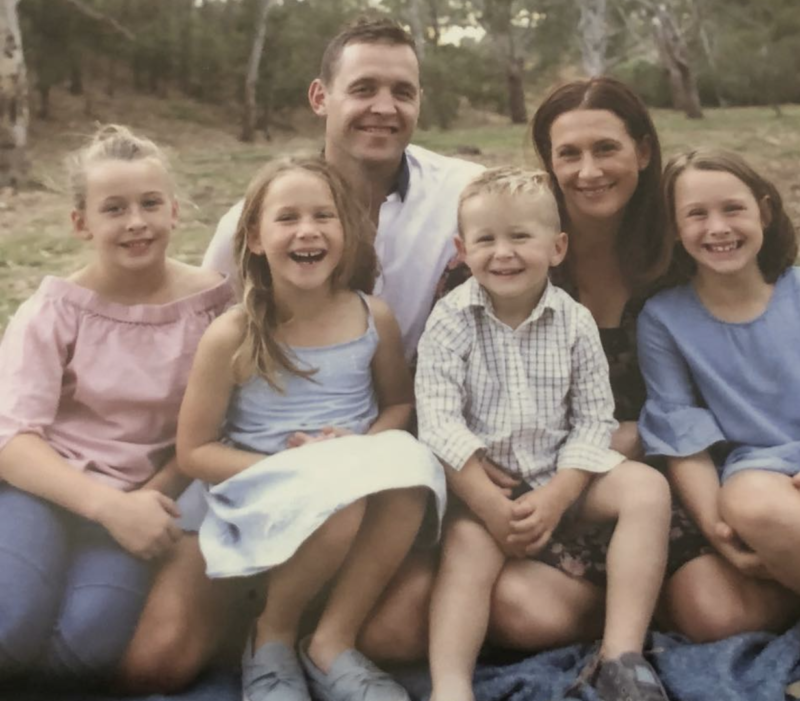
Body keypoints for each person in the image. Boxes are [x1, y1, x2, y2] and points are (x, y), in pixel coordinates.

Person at [485, 76, 796, 650]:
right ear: (549, 163)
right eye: (569, 154)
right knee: (522, 614)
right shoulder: (516, 254)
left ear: (643, 151)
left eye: (606, 148)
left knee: (717, 614)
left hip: (665, 482)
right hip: (554, 484)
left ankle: (670, 595)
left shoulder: (679, 254)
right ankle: (636, 606)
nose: (589, 170)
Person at [177, 156, 446, 701]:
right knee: (338, 495)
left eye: (324, 215)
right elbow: (194, 451)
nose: (308, 230)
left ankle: (331, 642)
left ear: (345, 232)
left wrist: (360, 446)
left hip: (351, 476)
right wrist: (294, 465)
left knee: (412, 471)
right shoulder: (233, 333)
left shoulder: (374, 317)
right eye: (287, 218)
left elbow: (398, 407)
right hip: (263, 488)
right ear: (254, 237)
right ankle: (271, 634)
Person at [416, 167, 672, 701]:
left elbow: (594, 418)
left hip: (564, 477)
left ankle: (621, 656)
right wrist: (486, 503)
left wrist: (561, 492)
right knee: (466, 546)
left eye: (520, 237)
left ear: (556, 247)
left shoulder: (574, 323)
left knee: (647, 488)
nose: (503, 252)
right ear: (462, 249)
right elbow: (438, 420)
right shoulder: (450, 320)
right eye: (486, 239)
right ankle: (451, 685)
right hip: (488, 490)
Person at [0, 126, 232, 686]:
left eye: (151, 203)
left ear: (175, 211)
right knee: (10, 629)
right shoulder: (56, 310)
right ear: (82, 223)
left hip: (145, 500)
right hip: (48, 490)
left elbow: (216, 427)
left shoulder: (215, 308)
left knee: (86, 646)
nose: (136, 222)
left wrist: (148, 500)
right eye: (114, 208)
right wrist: (106, 507)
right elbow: (11, 440)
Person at [203, 17, 484, 359]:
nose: (384, 107)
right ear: (320, 97)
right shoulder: (252, 224)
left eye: (402, 92)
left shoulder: (468, 194)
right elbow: (206, 335)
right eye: (363, 89)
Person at [637, 149, 800, 632]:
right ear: (673, 228)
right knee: (750, 505)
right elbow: (679, 431)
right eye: (696, 214)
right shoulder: (665, 319)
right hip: (761, 472)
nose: (718, 228)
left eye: (733, 208)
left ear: (764, 212)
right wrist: (718, 531)